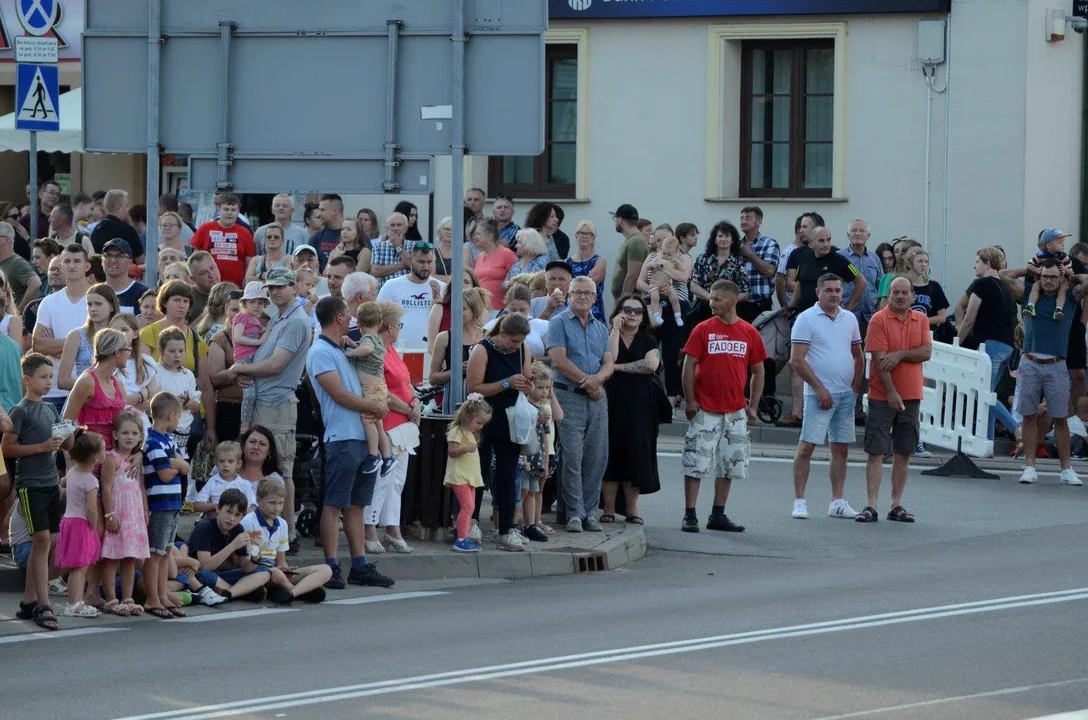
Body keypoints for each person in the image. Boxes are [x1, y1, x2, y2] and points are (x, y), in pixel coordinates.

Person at [306, 296, 395, 588]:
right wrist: (374, 408)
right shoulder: (320, 351)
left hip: (360, 434)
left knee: (356, 505)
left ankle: (359, 565)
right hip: (342, 437)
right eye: (348, 315)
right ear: (341, 317)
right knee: (334, 503)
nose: (352, 319)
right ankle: (331, 565)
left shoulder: (342, 348)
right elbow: (339, 394)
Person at [228, 267, 312, 552]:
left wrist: (241, 368)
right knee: (261, 468)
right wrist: (246, 372)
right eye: (271, 288)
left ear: (293, 287)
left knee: (281, 471)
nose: (275, 291)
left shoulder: (296, 321)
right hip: (264, 400)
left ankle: (286, 536)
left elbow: (276, 365)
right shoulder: (278, 315)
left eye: (280, 286)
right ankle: (265, 532)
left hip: (276, 404)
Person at [680, 279, 766, 534]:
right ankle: (690, 514)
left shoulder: (749, 332)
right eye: (711, 298)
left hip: (735, 410)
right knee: (696, 462)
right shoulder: (703, 329)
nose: (711, 303)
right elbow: (688, 365)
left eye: (716, 299)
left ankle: (718, 514)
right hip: (705, 408)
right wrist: (690, 399)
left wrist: (753, 406)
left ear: (732, 300)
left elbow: (758, 371)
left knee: (730, 464)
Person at [788, 275, 864, 520]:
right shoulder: (806, 319)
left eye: (838, 290)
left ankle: (838, 501)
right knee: (807, 446)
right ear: (818, 291)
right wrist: (820, 389)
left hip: (844, 395)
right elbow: (796, 360)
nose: (834, 294)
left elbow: (858, 354)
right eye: (829, 290)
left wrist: (855, 386)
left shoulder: (849, 318)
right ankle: (800, 501)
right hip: (818, 394)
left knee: (841, 448)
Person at [858, 277, 933, 523]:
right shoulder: (878, 320)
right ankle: (871, 505)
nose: (900, 296)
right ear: (888, 296)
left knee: (904, 451)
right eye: (895, 293)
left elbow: (926, 352)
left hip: (912, 395)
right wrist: (890, 391)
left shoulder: (920, 319)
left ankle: (896, 504)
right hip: (882, 395)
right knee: (876, 451)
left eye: (905, 292)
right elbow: (880, 360)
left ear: (912, 296)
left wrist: (899, 354)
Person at [547, 276, 613, 533]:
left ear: (595, 298)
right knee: (572, 456)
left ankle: (590, 512)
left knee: (597, 457)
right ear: (569, 295)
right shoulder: (558, 322)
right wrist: (589, 383)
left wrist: (597, 381)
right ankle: (574, 513)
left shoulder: (600, 327)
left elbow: (608, 361)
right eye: (577, 293)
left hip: (597, 398)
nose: (582, 297)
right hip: (569, 396)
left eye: (587, 293)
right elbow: (559, 360)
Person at [5, 353, 63, 630]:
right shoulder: (20, 410)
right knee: (40, 540)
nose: (49, 382)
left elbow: (65, 442)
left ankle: (29, 601)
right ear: (27, 380)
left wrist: (71, 434)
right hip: (31, 484)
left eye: (51, 377)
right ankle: (43, 604)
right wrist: (40, 448)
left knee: (49, 540)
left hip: (51, 482)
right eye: (43, 377)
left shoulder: (51, 409)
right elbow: (7, 448)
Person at [1016, 264, 1087, 486]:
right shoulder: (1031, 293)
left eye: (1053, 277)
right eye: (1045, 276)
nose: (1048, 280)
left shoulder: (1071, 298)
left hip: (1056, 364)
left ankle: (1066, 469)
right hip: (1030, 362)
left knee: (1060, 418)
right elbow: (1004, 276)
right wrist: (1029, 270)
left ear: (1060, 278)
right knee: (1029, 416)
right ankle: (1029, 466)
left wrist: (1072, 275)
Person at [468, 313, 533, 550]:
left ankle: (507, 528)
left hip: (511, 419)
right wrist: (506, 383)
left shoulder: (523, 349)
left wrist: (528, 384)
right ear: (502, 333)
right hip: (484, 419)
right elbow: (474, 387)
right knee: (479, 472)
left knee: (508, 474)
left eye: (521, 342)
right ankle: (471, 520)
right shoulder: (482, 349)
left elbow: (525, 379)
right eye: (514, 341)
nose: (517, 346)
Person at [365, 302, 420, 555]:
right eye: (399, 324)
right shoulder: (376, 350)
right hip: (386, 423)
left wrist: (416, 402)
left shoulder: (391, 349)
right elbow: (381, 392)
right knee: (381, 481)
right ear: (388, 325)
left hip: (403, 425)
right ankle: (370, 529)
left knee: (397, 481)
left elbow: (407, 383)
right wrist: (409, 408)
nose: (400, 328)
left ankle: (392, 529)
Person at [601, 295, 661, 525]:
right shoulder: (609, 336)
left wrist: (614, 368)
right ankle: (607, 508)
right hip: (612, 401)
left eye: (638, 311)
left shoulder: (648, 340)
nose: (633, 314)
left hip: (640, 404)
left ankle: (632, 509)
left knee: (636, 454)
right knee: (611, 454)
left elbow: (649, 365)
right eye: (628, 309)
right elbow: (611, 355)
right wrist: (615, 329)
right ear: (619, 311)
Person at [957, 248, 1020, 442]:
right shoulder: (1004, 287)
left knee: (981, 393)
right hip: (1007, 347)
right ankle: (989, 443)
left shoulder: (982, 284)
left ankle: (1017, 429)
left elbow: (969, 319)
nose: (974, 265)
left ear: (988, 263)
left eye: (978, 261)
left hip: (991, 345)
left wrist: (956, 343)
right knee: (989, 394)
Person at [240, 478, 332, 604]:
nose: (277, 508)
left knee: (326, 569)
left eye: (280, 503)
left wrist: (287, 570)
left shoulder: (282, 524)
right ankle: (300, 592)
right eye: (272, 503)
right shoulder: (248, 522)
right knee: (275, 574)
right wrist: (277, 572)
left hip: (277, 572)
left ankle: (290, 593)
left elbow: (281, 560)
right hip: (259, 573)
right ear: (258, 500)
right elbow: (242, 562)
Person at [143, 391, 189, 619]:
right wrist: (178, 466)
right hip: (159, 505)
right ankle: (153, 598)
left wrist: (179, 465)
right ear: (171, 415)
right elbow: (165, 474)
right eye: (178, 417)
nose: (178, 421)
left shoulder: (169, 440)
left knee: (165, 552)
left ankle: (162, 593)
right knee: (155, 553)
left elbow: (184, 467)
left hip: (173, 503)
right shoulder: (152, 442)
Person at [99, 410, 150, 616]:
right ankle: (111, 599)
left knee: (129, 558)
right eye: (125, 433)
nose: (130, 437)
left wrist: (145, 511)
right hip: (118, 514)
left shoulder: (137, 460)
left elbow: (141, 487)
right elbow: (107, 488)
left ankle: (128, 598)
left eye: (134, 433)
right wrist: (109, 514)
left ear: (140, 436)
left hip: (134, 515)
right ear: (115, 435)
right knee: (111, 557)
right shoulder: (111, 459)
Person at [33, 244, 91, 415]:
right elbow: (38, 345)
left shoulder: (97, 300)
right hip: (53, 392)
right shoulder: (48, 302)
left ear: (86, 266)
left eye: (77, 261)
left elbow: (100, 345)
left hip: (88, 390)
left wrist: (57, 348)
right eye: (67, 261)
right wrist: (77, 345)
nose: (71, 265)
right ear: (61, 266)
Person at [55, 429, 105, 619]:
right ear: (94, 457)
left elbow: (63, 483)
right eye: (103, 450)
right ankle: (74, 603)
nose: (105, 453)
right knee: (80, 566)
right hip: (81, 523)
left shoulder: (73, 472)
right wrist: (93, 526)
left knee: (79, 565)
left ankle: (77, 601)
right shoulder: (91, 480)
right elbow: (91, 508)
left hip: (68, 520)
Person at [345, 301, 395, 474]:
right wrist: (352, 343)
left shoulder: (368, 339)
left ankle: (373, 456)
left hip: (371, 389)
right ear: (380, 323)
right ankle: (388, 457)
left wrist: (349, 353)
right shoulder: (378, 339)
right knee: (379, 424)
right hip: (380, 387)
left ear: (358, 323)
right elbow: (366, 349)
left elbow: (366, 349)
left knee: (368, 421)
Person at [376, 242, 445, 351]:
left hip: (431, 353)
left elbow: (449, 324)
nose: (426, 266)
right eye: (421, 262)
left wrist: (438, 302)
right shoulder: (392, 285)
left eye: (429, 262)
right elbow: (376, 318)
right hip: (397, 352)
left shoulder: (442, 288)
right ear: (411, 260)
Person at [445, 394, 492, 553]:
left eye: (483, 424)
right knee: (468, 506)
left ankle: (463, 537)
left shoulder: (470, 433)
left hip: (469, 476)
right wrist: (465, 449)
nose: (480, 426)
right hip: (460, 476)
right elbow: (451, 451)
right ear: (467, 416)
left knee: (469, 508)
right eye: (478, 423)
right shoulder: (457, 431)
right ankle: (461, 539)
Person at [431, 287, 490, 412]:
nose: (457, 312)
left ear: (475, 310)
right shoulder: (444, 338)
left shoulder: (488, 337)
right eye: (455, 307)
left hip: (482, 404)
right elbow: (433, 378)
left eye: (463, 309)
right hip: (454, 402)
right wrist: (456, 371)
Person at [57, 282, 119, 394]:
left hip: (115, 398)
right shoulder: (76, 336)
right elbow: (62, 380)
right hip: (85, 400)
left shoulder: (121, 335)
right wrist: (95, 388)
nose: (93, 309)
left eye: (98, 304)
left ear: (112, 306)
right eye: (89, 304)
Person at [191, 193, 256, 288]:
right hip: (208, 287)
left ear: (239, 210)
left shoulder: (245, 233)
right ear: (218, 209)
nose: (229, 213)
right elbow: (192, 257)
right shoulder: (205, 229)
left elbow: (249, 263)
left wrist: (246, 284)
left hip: (236, 288)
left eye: (233, 210)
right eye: (226, 209)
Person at [155, 328, 202, 459]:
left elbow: (196, 407)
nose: (177, 355)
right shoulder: (156, 373)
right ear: (161, 351)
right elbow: (151, 404)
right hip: (162, 433)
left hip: (184, 436)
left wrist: (187, 402)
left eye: (181, 351)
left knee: (181, 475)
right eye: (172, 351)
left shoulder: (188, 375)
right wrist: (171, 403)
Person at [691, 221, 751, 321]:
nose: (723, 239)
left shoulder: (739, 262)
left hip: (729, 312)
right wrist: (712, 298)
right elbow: (693, 285)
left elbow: (745, 294)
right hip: (704, 310)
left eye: (727, 236)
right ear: (714, 240)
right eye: (720, 236)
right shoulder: (703, 259)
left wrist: (725, 301)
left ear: (732, 240)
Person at [233, 281, 271, 432]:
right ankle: (244, 426)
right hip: (244, 360)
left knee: (257, 393)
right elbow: (237, 338)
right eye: (252, 302)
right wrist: (259, 341)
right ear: (244, 303)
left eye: (260, 302)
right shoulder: (242, 317)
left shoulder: (256, 320)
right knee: (249, 395)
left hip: (254, 359)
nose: (256, 305)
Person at [837, 219, 883, 334]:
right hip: (845, 315)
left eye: (861, 231)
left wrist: (878, 312)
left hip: (870, 317)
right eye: (854, 230)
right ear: (848, 235)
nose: (857, 233)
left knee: (868, 351)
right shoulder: (839, 258)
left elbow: (881, 288)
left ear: (868, 236)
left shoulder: (874, 258)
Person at [639, 234, 689, 327]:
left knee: (674, 299)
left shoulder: (679, 259)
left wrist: (675, 262)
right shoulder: (655, 258)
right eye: (664, 253)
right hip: (654, 285)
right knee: (655, 297)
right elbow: (642, 277)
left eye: (669, 254)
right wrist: (652, 265)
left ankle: (677, 316)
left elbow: (684, 274)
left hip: (668, 285)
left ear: (676, 251)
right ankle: (656, 315)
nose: (666, 256)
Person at [192, 441, 253, 515]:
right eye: (221, 461)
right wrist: (217, 506)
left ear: (238, 463)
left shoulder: (245, 484)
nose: (225, 465)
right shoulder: (213, 482)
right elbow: (197, 506)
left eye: (230, 461)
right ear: (215, 463)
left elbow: (252, 507)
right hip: (216, 521)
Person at [566, 220, 608, 323]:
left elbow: (589, 284)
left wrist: (571, 282)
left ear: (593, 238)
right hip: (571, 309)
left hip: (593, 309)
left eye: (588, 234)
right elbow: (564, 285)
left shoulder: (599, 261)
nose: (584, 236)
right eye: (581, 233)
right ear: (576, 236)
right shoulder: (567, 261)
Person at [472, 220, 517, 315]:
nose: (475, 237)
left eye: (478, 234)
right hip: (481, 309)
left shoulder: (507, 254)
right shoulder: (478, 257)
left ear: (490, 236)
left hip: (501, 309)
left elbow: (517, 277)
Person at [89, 189, 145, 263]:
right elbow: (141, 261)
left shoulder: (97, 230)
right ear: (119, 208)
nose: (128, 210)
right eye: (126, 206)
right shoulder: (127, 230)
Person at [609, 203, 648, 301]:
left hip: (631, 303)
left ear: (621, 220)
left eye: (615, 219)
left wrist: (623, 302)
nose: (615, 222)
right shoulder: (631, 240)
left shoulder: (636, 241)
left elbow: (633, 275)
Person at [0, 222, 39, 313]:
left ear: (6, 240)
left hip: (9, 322)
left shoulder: (17, 262)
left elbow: (35, 284)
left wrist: (18, 312)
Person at [101, 239, 147, 316]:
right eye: (108, 255)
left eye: (119, 256)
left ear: (130, 262)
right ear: (102, 261)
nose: (113, 260)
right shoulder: (96, 292)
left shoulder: (142, 293)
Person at [370, 212, 412, 287]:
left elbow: (414, 266)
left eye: (399, 225)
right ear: (387, 229)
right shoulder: (378, 247)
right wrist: (402, 265)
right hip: (385, 294)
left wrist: (398, 245)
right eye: (392, 225)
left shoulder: (414, 246)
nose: (395, 228)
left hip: (408, 292)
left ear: (406, 229)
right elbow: (375, 271)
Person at [186, 251, 223, 322]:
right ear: (193, 279)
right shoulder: (186, 297)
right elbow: (181, 331)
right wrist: (205, 316)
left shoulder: (230, 292)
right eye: (203, 273)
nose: (211, 274)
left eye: (212, 268)